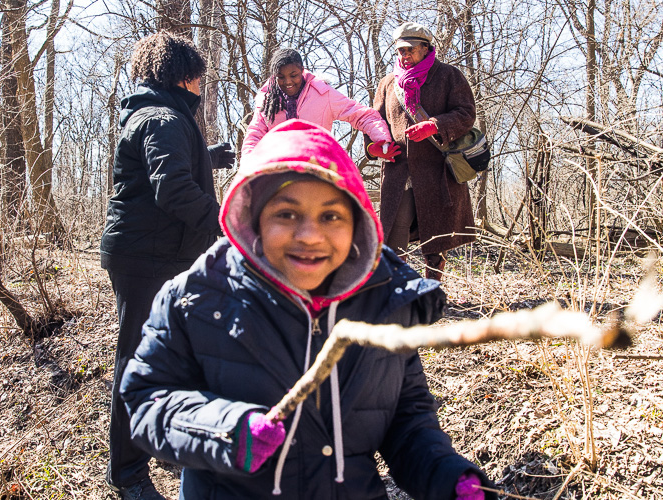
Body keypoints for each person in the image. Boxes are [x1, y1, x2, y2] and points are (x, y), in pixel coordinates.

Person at [120, 119, 495, 499]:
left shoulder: (384, 300)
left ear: (357, 225)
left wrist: (448, 477)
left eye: (331, 216)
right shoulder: (198, 298)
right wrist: (227, 432)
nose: (310, 235)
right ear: (254, 219)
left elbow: (407, 421)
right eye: (286, 214)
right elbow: (148, 399)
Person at [99, 30, 235, 500]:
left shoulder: (158, 114)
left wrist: (209, 157)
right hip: (146, 257)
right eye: (198, 78)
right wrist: (228, 224)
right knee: (136, 361)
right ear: (181, 77)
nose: (201, 86)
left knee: (174, 354)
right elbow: (172, 189)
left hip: (162, 252)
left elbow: (166, 167)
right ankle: (128, 473)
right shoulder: (163, 118)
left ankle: (161, 438)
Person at [366, 22, 477, 281]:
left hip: (436, 171)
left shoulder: (449, 76)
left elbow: (466, 113)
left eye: (410, 50)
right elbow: (374, 121)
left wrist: (434, 125)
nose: (404, 55)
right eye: (400, 51)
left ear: (426, 49)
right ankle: (400, 292)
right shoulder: (387, 83)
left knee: (436, 241)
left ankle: (431, 289)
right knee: (394, 237)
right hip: (398, 171)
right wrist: (374, 148)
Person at [241, 48, 400, 163]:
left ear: (302, 71)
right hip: (279, 170)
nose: (287, 82)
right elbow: (255, 134)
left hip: (316, 167)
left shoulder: (322, 94)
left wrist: (382, 140)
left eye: (293, 75)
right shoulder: (267, 100)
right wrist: (248, 166)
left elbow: (362, 115)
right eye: (281, 77)